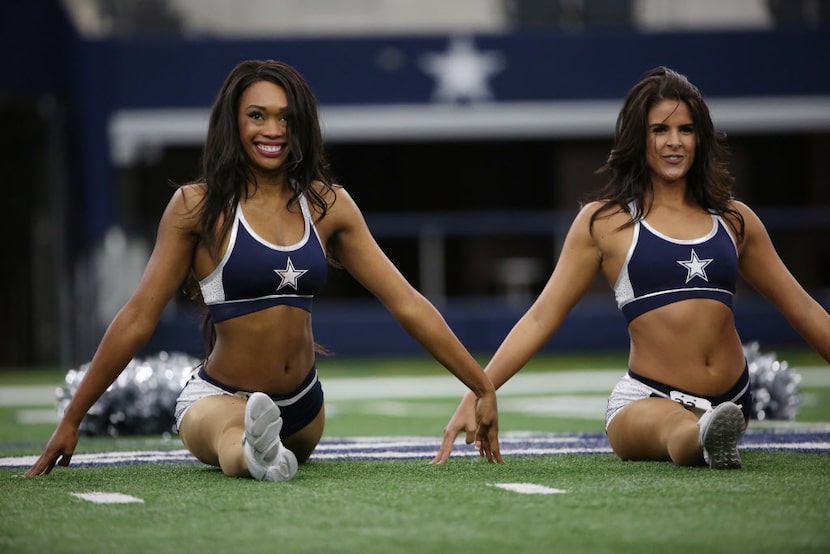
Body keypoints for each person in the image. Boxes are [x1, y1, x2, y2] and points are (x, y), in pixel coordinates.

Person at [26, 59, 502, 481]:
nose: (273, 130)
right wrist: (73, 417)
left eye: (285, 118)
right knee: (235, 439)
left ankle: (264, 446)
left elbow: (407, 304)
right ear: (233, 123)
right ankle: (252, 453)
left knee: (267, 434)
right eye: (257, 116)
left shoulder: (328, 205)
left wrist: (481, 386)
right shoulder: (197, 207)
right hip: (219, 399)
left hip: (303, 406)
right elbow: (137, 318)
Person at [432, 66, 830, 469]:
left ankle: (711, 429)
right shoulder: (605, 222)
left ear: (701, 138)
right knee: (678, 429)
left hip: (733, 396)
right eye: (660, 130)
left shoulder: (734, 220)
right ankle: (702, 436)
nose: (674, 142)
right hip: (647, 398)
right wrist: (478, 391)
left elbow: (804, 309)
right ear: (639, 139)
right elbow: (539, 319)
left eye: (686, 130)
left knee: (706, 423)